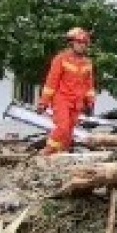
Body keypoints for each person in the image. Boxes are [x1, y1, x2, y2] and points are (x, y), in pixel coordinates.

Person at [37, 27, 97, 155]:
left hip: (77, 103)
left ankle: (62, 154)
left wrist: (90, 102)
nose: (82, 45)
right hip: (62, 100)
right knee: (62, 127)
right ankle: (47, 151)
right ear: (71, 43)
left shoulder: (87, 63)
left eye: (84, 43)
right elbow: (51, 82)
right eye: (79, 42)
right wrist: (43, 102)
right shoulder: (61, 59)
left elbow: (89, 85)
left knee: (69, 131)